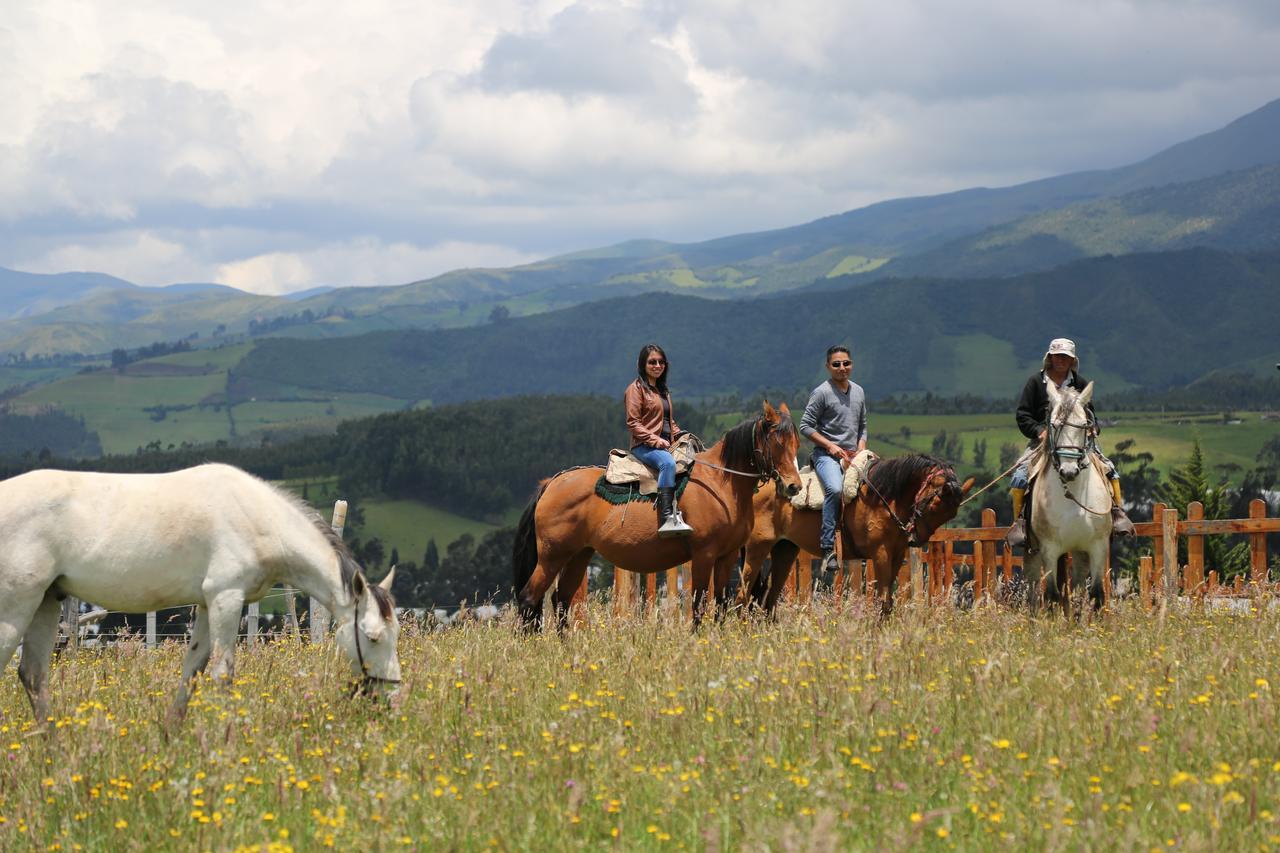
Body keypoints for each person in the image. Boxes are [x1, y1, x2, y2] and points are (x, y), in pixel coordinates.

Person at [1006, 337, 1135, 547]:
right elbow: (1023, 415)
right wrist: (1039, 431)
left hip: (1077, 441)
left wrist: (1093, 427)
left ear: (1072, 360)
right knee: (1020, 476)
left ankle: (1117, 513)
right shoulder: (1036, 383)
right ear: (1050, 358)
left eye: (1065, 356)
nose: (1061, 360)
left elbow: (1091, 414)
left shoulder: (1080, 383)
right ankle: (1020, 524)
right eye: (1057, 356)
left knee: (1110, 470)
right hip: (1044, 441)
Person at [799, 345, 868, 574]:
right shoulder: (821, 392)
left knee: (879, 486)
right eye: (836, 364)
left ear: (852, 364)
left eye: (846, 363)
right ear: (828, 367)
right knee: (836, 490)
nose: (842, 368)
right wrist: (830, 446)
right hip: (826, 455)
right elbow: (805, 426)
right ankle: (827, 548)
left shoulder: (858, 391)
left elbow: (863, 426)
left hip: (854, 454)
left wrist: (861, 448)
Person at [625, 344, 693, 537]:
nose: (657, 365)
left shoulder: (662, 390)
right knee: (668, 464)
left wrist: (680, 434)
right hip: (644, 445)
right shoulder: (635, 389)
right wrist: (655, 439)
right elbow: (633, 423)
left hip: (665, 442)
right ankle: (666, 519)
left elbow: (668, 421)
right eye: (652, 362)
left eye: (661, 362)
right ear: (643, 364)